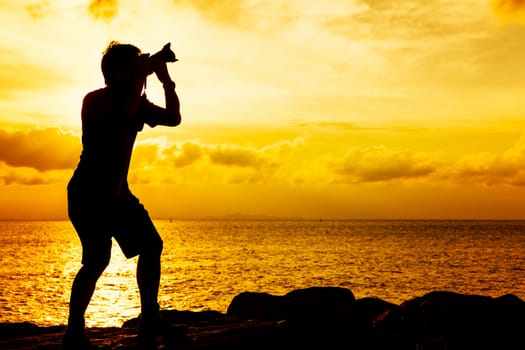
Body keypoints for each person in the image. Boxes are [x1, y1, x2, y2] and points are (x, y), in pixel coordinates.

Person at [63, 41, 185, 349]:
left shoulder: (135, 101)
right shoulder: (94, 100)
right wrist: (149, 67)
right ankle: (74, 329)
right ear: (118, 72)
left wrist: (165, 79)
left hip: (118, 194)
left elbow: (174, 118)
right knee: (96, 260)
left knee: (152, 245)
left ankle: (150, 317)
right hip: (88, 194)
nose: (141, 66)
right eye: (134, 63)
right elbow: (121, 109)